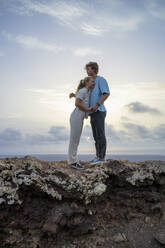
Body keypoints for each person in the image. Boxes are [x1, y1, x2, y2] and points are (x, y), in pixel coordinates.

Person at [70, 62, 110, 165]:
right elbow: (86, 95)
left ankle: (101, 158)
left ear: (94, 69)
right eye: (86, 69)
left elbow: (106, 94)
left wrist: (97, 105)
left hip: (99, 111)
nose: (87, 71)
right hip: (92, 113)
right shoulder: (90, 82)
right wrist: (75, 95)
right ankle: (98, 156)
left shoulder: (101, 80)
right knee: (95, 136)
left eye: (88, 69)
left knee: (100, 135)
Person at [68, 76, 95, 170]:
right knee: (74, 140)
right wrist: (88, 109)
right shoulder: (83, 91)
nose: (93, 83)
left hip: (79, 117)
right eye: (92, 81)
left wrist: (74, 95)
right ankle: (73, 162)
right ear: (87, 82)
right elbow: (77, 104)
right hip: (76, 116)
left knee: (76, 140)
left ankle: (73, 160)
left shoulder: (86, 91)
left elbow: (81, 99)